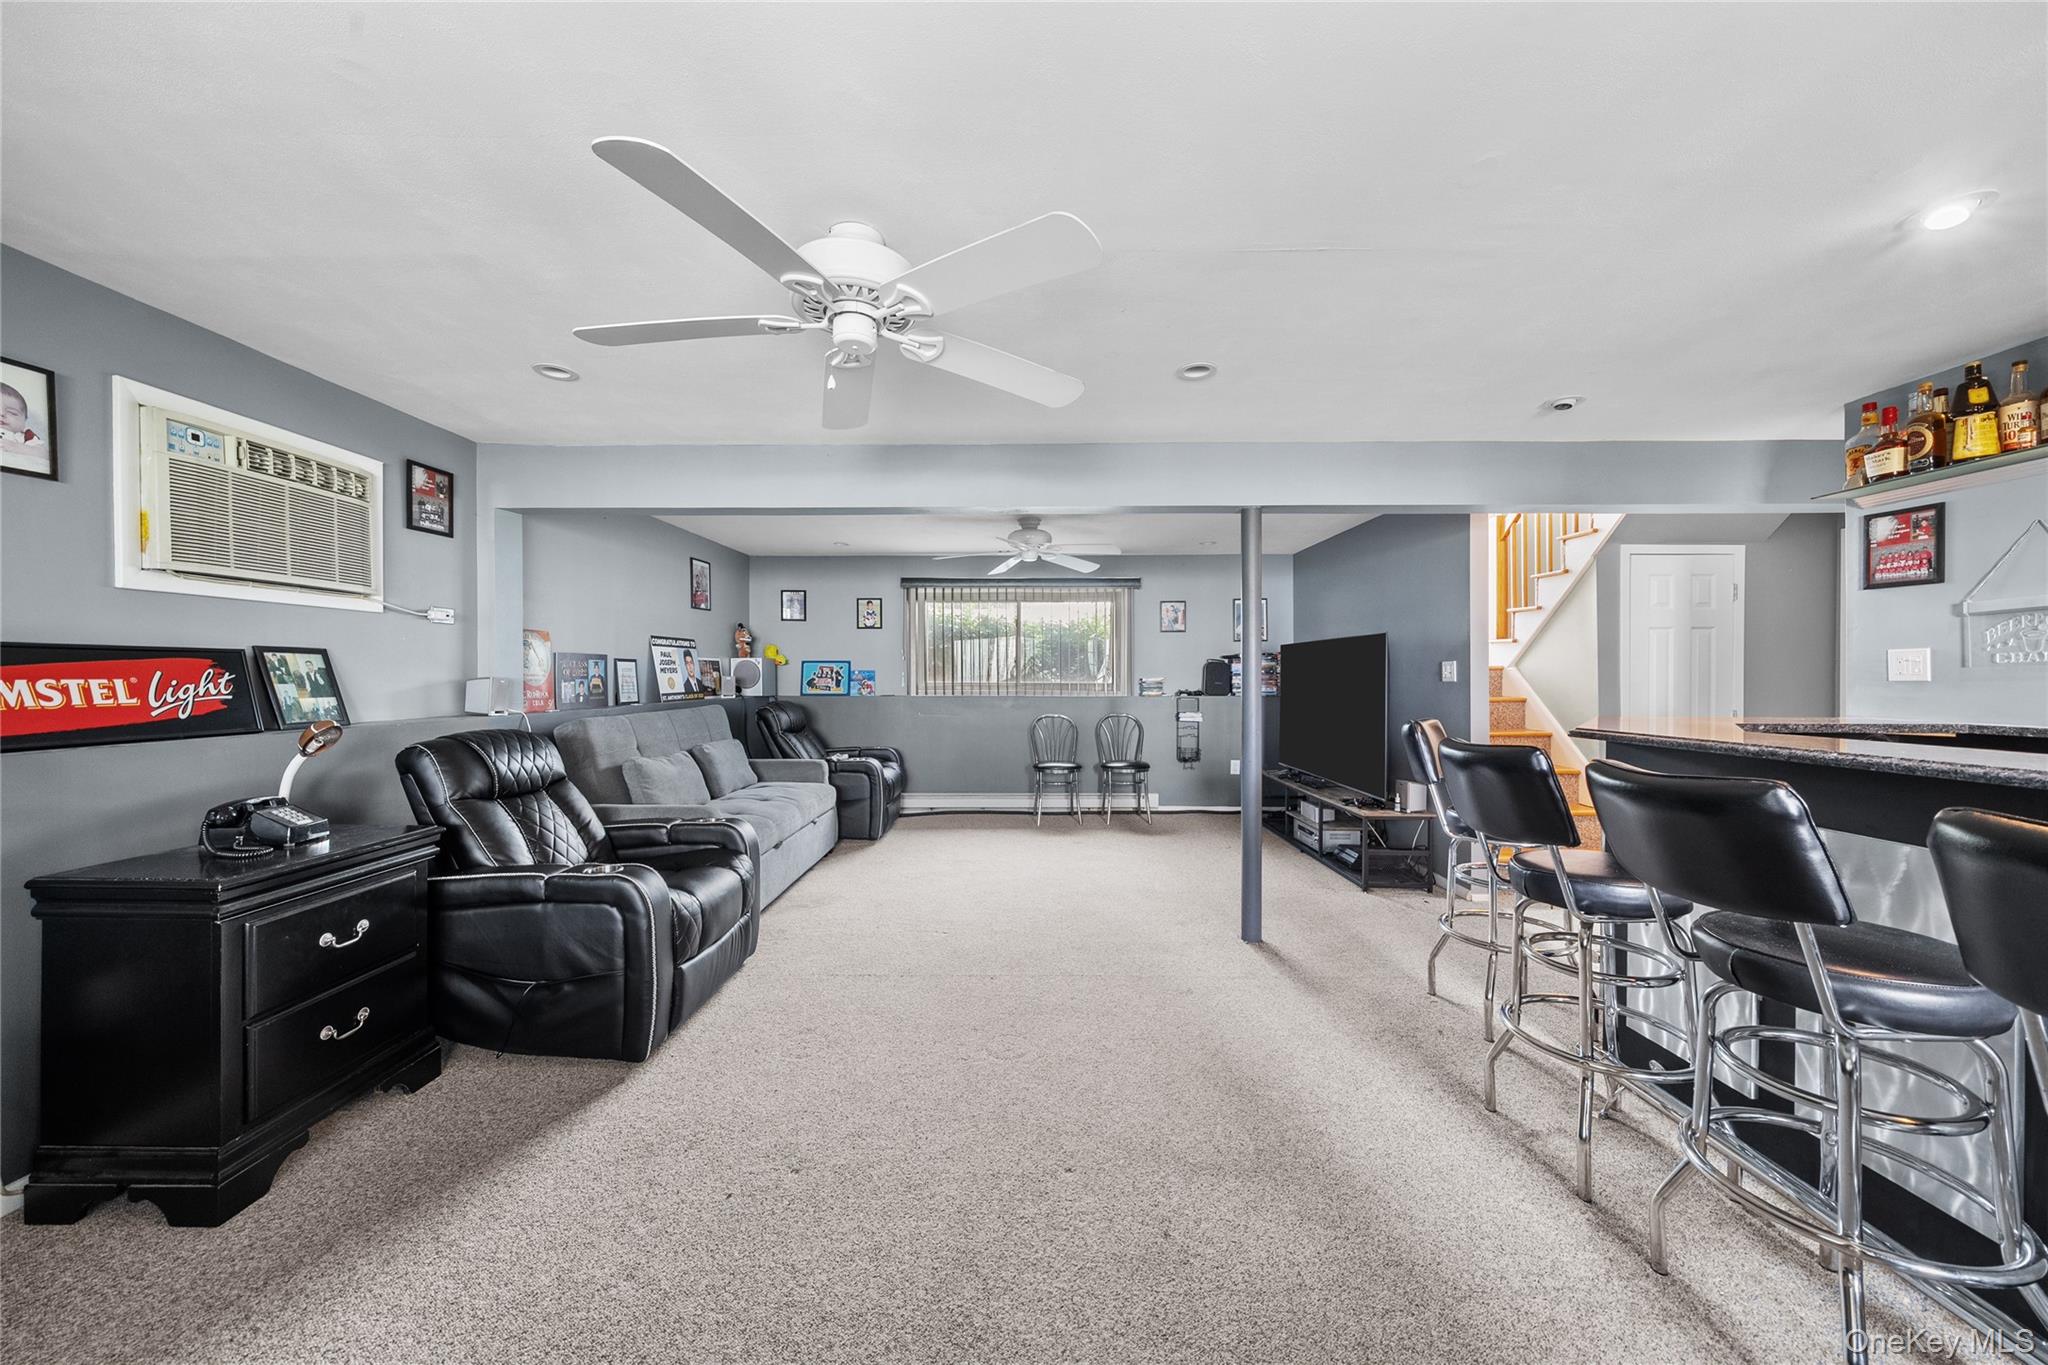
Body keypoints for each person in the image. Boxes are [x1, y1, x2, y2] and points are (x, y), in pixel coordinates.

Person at [1, 382, 48, 455]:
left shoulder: (26, 435)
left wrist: (15, 447)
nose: (1, 414)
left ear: (24, 421)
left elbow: (44, 454)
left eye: (12, 413)